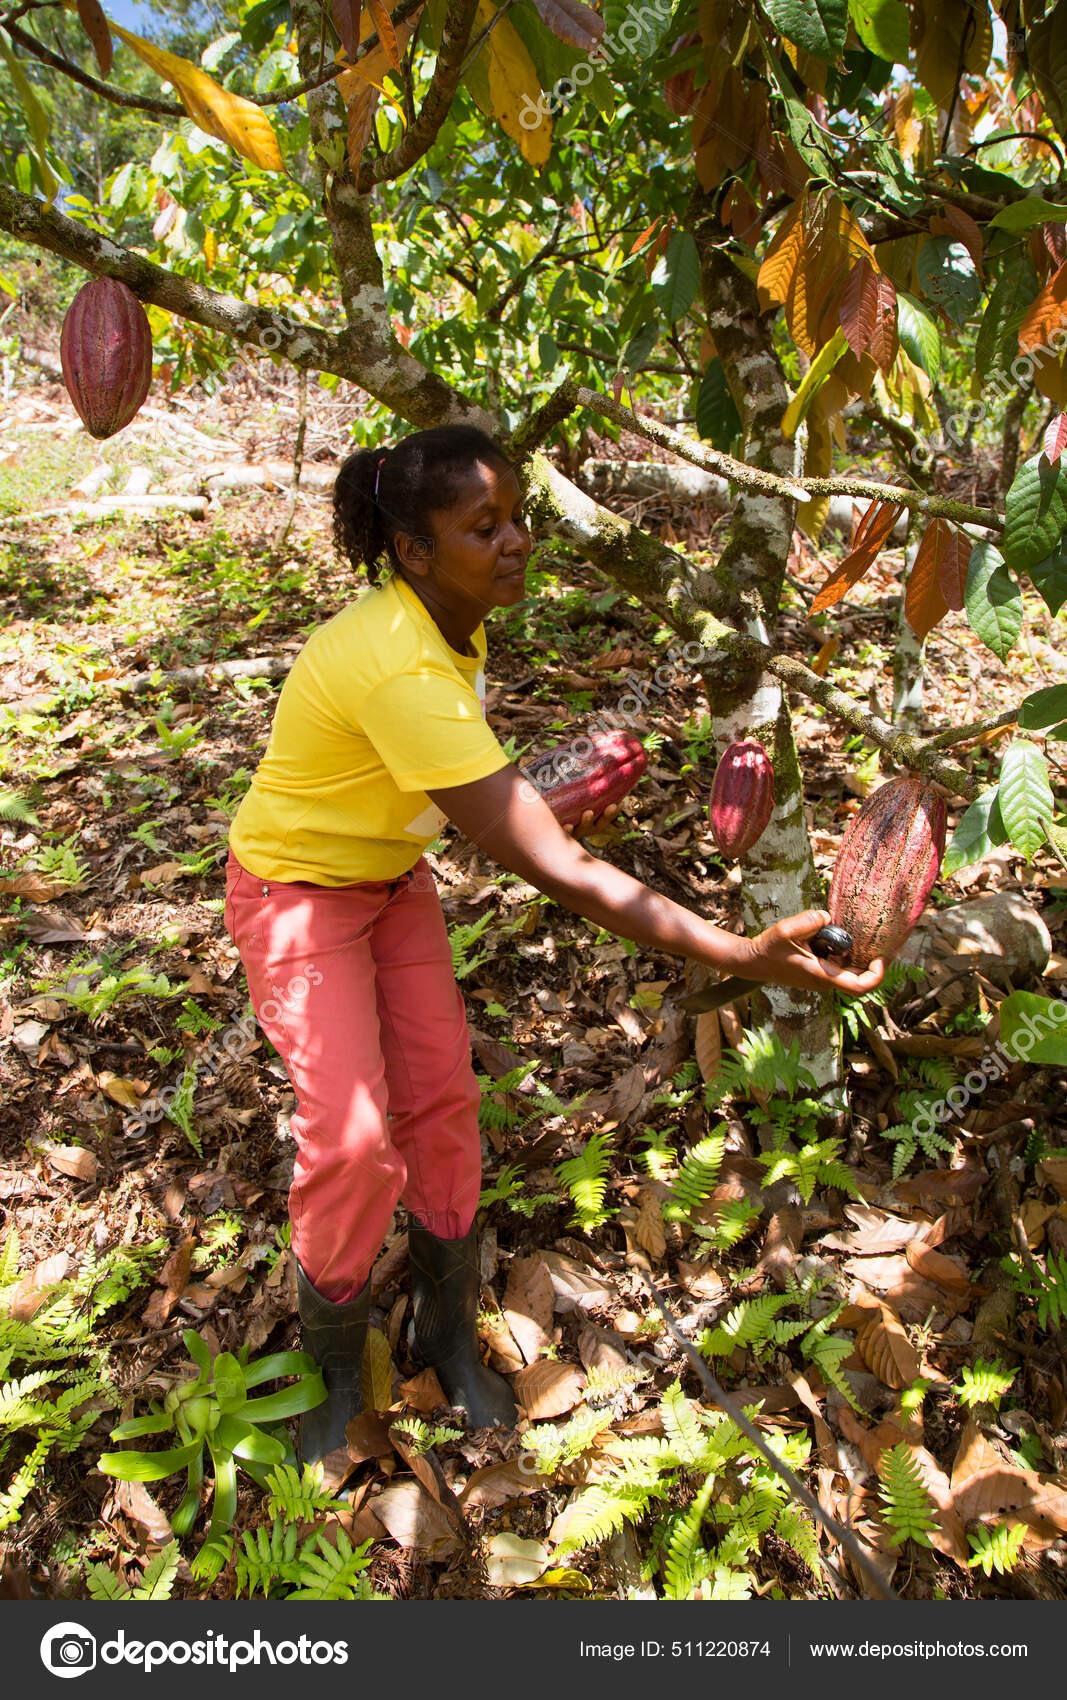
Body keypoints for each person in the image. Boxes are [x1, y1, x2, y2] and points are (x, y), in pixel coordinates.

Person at [222, 423, 884, 1467]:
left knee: (440, 1098)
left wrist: (533, 800)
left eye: (519, 515)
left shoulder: (448, 615)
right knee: (350, 1142)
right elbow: (553, 866)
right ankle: (334, 1372)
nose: (518, 540)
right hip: (297, 893)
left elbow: (478, 796)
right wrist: (734, 950)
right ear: (413, 551)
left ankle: (444, 1328)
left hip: (390, 882)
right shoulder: (397, 662)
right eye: (484, 526)